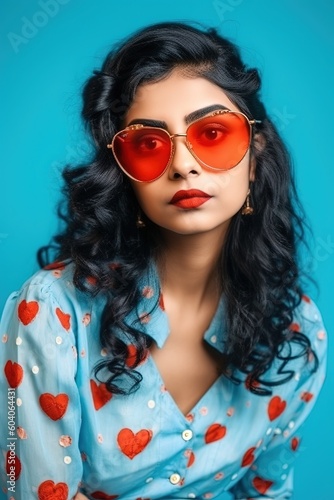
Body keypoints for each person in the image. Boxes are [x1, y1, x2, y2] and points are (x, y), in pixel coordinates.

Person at [0, 21, 327, 500]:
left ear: (255, 156)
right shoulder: (51, 313)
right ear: (122, 172)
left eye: (213, 133)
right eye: (148, 144)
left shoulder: (296, 330)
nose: (182, 164)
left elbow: (268, 492)